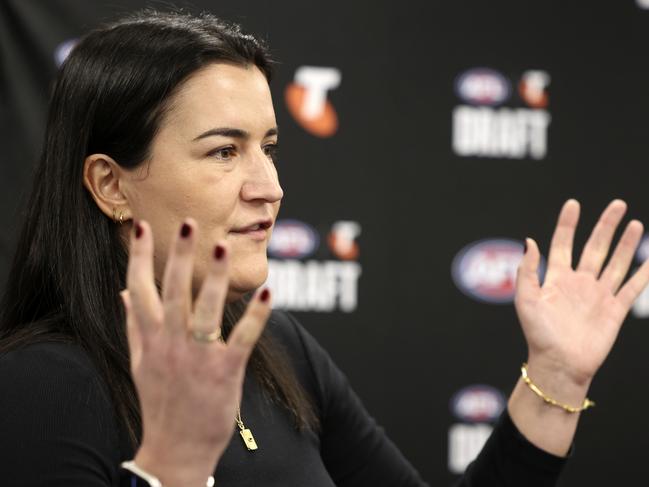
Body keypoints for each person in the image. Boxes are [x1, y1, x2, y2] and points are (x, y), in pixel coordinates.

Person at [0, 9, 648, 487]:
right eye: (224, 151)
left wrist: (554, 381)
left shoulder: (280, 349)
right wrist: (171, 468)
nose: (270, 188)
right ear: (111, 185)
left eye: (269, 148)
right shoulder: (45, 385)